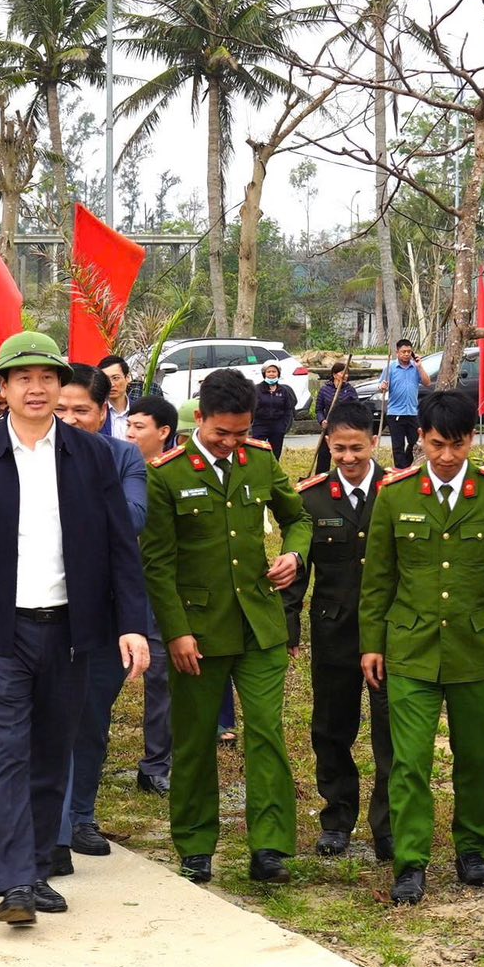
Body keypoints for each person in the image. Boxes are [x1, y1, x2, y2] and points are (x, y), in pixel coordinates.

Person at [0, 332, 150, 927]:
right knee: (8, 750)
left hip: (73, 629)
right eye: (21, 378)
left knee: (54, 750)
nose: (35, 388)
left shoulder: (92, 455)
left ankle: (36, 865)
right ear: (0, 388)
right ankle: (14, 884)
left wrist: (132, 625)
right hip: (1, 632)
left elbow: (119, 549)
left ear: (61, 387)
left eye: (47, 378)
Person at [362, 390, 484, 906]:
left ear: (473, 438)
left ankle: (474, 852)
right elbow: (378, 576)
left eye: (458, 444)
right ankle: (411, 863)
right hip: (411, 648)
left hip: (476, 648)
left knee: (479, 757)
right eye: (437, 444)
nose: (446, 456)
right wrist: (371, 644)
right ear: (420, 438)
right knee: (410, 760)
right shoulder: (395, 494)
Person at [142, 369, 310, 886]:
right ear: (200, 417)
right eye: (222, 433)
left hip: (259, 626)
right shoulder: (166, 474)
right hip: (198, 631)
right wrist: (176, 632)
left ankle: (270, 850)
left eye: (241, 433)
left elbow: (297, 516)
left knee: (266, 733)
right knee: (193, 740)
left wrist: (294, 553)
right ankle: (195, 847)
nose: (232, 443)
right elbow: (157, 563)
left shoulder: (259, 461)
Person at [283, 401, 394, 862]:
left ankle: (388, 826)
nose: (348, 459)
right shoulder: (311, 497)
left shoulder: (398, 491)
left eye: (357, 449)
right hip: (334, 633)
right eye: (339, 449)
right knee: (331, 730)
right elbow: (298, 568)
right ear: (327, 444)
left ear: (374, 443)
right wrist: (290, 627)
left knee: (392, 732)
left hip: (390, 636)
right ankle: (338, 819)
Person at [51, 363, 150, 868]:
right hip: (40, 609)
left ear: (104, 410)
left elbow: (132, 519)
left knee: (90, 716)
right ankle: (53, 824)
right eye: (60, 408)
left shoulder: (122, 456)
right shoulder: (29, 457)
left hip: (105, 611)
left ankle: (81, 815)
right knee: (47, 719)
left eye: (80, 411)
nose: (68, 419)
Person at [123, 395, 179, 799]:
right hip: (111, 587)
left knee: (160, 677)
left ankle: (156, 764)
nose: (130, 433)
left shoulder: (175, 475)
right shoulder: (112, 465)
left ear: (164, 433)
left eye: (139, 427)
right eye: (128, 425)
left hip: (156, 589)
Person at [383, 339, 430, 470]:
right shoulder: (390, 367)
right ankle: (400, 470)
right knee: (397, 446)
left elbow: (427, 382)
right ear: (397, 352)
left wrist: (420, 366)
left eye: (409, 351)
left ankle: (407, 466)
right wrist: (383, 386)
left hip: (412, 412)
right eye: (403, 351)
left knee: (415, 443)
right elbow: (382, 386)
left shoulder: (415, 367)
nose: (406, 354)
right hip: (395, 413)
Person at [312, 362, 361, 475]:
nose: (345, 376)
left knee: (344, 456)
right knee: (324, 456)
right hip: (329, 428)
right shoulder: (325, 390)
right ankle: (321, 479)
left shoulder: (350, 390)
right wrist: (322, 421)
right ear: (334, 375)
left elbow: (356, 408)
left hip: (345, 428)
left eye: (347, 373)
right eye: (342, 373)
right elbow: (318, 410)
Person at [252, 361, 294, 455]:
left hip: (277, 426)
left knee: (275, 454)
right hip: (260, 425)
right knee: (257, 452)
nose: (271, 374)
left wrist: (284, 426)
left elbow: (288, 409)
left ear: (278, 373)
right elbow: (250, 408)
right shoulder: (257, 389)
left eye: (274, 371)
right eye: (269, 371)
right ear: (264, 373)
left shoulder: (283, 391)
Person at [100, 354, 134, 439]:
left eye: (115, 378)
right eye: (106, 379)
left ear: (127, 378)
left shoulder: (140, 411)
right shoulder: (97, 413)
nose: (111, 384)